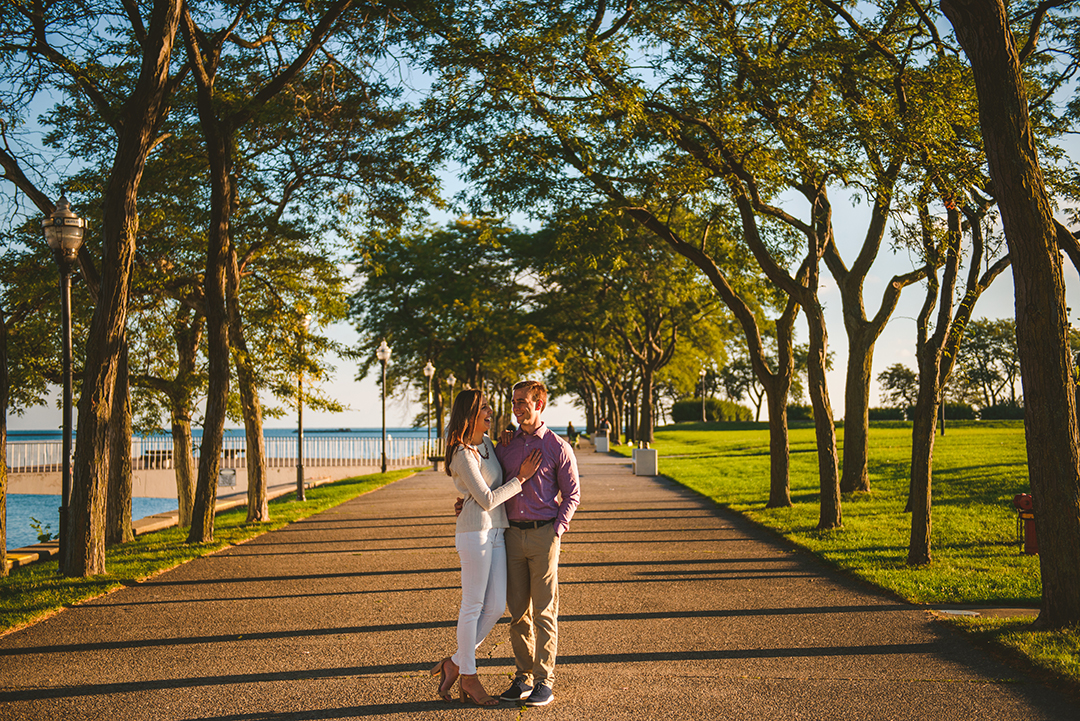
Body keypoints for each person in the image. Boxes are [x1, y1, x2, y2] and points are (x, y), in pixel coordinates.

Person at [430, 389, 542, 706]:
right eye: (484, 408)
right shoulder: (463, 454)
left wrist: (506, 442)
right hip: (474, 533)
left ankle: (453, 663)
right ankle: (469, 675)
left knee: (494, 607)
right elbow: (489, 498)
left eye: (490, 406)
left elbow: (487, 487)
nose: (491, 411)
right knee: (472, 605)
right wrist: (521, 478)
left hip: (496, 531)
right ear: (470, 415)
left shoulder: (488, 445)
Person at [495, 380, 581, 707]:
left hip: (545, 534)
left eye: (523, 402)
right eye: (514, 401)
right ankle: (523, 677)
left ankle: (545, 680)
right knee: (517, 612)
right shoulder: (505, 445)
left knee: (545, 611)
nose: (517, 407)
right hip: (511, 536)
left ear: (540, 403)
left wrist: (557, 530)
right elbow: (489, 481)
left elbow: (572, 494)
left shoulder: (557, 447)